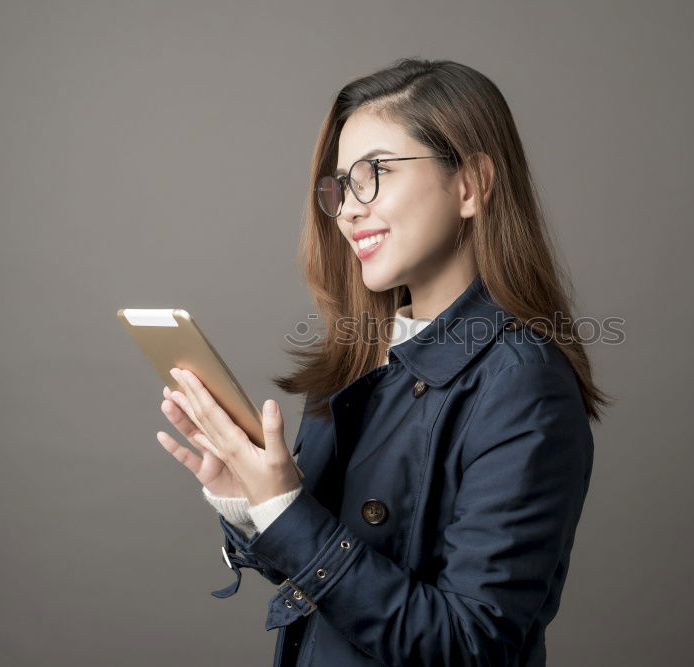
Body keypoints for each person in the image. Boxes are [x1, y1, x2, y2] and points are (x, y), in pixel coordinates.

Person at [154, 57, 610, 667]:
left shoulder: (522, 382)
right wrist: (252, 503)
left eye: (375, 173)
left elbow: (469, 644)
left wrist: (288, 512)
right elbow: (332, 572)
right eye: (340, 186)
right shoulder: (362, 356)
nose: (347, 209)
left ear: (471, 183)